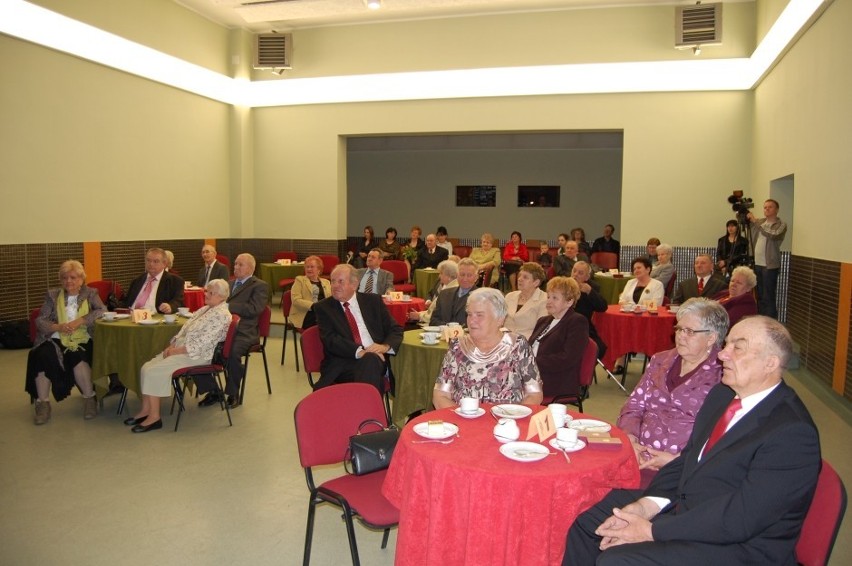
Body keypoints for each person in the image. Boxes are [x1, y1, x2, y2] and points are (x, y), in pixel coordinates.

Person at [563, 316, 820, 566]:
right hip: (691, 509)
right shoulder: (722, 396)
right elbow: (688, 461)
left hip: (740, 546)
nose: (722, 354)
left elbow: (742, 518)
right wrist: (645, 507)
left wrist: (652, 531)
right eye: (726, 344)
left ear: (770, 363)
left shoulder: (792, 433)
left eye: (737, 348)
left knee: (617, 560)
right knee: (587, 521)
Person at [617, 298, 728, 486]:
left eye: (690, 332)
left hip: (684, 470)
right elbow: (634, 406)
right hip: (639, 457)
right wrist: (630, 439)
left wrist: (677, 460)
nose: (680, 336)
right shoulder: (660, 360)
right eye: (679, 329)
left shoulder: (723, 375)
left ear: (711, 338)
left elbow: (721, 433)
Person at [125, 279, 232, 433]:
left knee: (153, 371)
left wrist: (176, 351)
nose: (206, 294)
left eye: (211, 292)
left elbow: (202, 343)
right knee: (146, 367)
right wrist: (173, 343)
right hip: (184, 350)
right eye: (206, 291)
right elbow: (185, 329)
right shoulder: (206, 309)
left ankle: (154, 417)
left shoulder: (222, 315)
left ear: (222, 296)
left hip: (198, 355)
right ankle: (145, 410)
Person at [25, 260, 106, 425]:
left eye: (73, 277)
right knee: (41, 355)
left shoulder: (90, 293)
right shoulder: (52, 295)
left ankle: (89, 399)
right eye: (64, 278)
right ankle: (43, 404)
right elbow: (40, 320)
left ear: (81, 279)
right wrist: (58, 326)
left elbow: (102, 311)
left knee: (79, 356)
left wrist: (81, 321)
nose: (68, 281)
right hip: (55, 337)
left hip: (82, 337)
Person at [433, 287, 543, 408]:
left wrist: (513, 418)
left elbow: (534, 394)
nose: (472, 321)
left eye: (479, 315)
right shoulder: (458, 347)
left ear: (500, 319)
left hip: (508, 421)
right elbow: (440, 396)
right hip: (465, 421)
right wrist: (463, 419)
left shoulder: (518, 345)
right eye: (469, 314)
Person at [313, 264, 403, 394]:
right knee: (370, 362)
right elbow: (331, 340)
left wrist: (384, 347)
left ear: (354, 285)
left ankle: (363, 411)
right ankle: (370, 412)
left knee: (371, 361)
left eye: (340, 281)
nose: (335, 285)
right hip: (343, 363)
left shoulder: (373, 301)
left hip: (376, 359)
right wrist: (361, 352)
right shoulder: (323, 308)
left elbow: (395, 329)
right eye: (333, 281)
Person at [198, 253, 268, 409]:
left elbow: (254, 309)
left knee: (232, 351)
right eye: (235, 264)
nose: (236, 267)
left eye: (240, 265)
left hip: (244, 331)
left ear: (251, 267)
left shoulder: (259, 285)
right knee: (197, 347)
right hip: (220, 328)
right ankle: (213, 390)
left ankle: (232, 392)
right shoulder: (227, 284)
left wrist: (226, 306)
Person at [528, 277, 590, 399]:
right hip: (533, 374)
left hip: (555, 379)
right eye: (548, 297)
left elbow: (567, 358)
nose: (549, 301)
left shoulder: (577, 322)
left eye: (555, 298)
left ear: (569, 301)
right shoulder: (543, 321)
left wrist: (533, 362)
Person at [748, 199, 787, 319]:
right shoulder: (760, 222)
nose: (767, 209)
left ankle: (771, 323)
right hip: (757, 263)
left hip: (770, 265)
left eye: (770, 207)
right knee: (759, 295)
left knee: (768, 296)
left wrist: (755, 222)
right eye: (765, 207)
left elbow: (773, 234)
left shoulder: (781, 225)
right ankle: (760, 320)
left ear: (776, 210)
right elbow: (746, 223)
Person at [123, 247, 184, 314]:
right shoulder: (137, 280)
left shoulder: (175, 281)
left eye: (156, 261)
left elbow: (178, 301)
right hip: (131, 316)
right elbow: (126, 301)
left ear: (164, 264)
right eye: (148, 260)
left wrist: (170, 306)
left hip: (156, 318)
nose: (151, 264)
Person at [571, 261, 608, 358]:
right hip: (565, 326)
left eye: (580, 273)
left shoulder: (591, 287)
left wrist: (589, 292)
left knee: (600, 348)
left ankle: (586, 371)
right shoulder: (563, 285)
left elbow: (602, 307)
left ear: (587, 277)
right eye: (574, 271)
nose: (575, 275)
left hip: (584, 327)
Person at [504, 262, 548, 339]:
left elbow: (541, 330)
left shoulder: (544, 299)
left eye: (525, 277)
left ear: (536, 282)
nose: (519, 279)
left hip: (528, 343)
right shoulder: (509, 296)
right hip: (504, 341)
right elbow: (498, 320)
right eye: (520, 275)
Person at [430, 258, 479, 327]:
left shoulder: (480, 298)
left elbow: (479, 324)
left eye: (469, 275)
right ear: (457, 275)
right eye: (462, 274)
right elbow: (433, 321)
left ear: (476, 277)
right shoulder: (444, 294)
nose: (465, 279)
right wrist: (448, 328)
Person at [409, 260, 458, 325]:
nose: (439, 276)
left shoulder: (451, 291)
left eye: (441, 273)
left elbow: (439, 315)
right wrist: (420, 314)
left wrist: (419, 316)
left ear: (448, 276)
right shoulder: (449, 286)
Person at [290, 255, 332, 330]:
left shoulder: (326, 282)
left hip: (323, 312)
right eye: (307, 267)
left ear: (319, 269)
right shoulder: (299, 280)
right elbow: (296, 300)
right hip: (305, 313)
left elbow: (331, 299)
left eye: (312, 267)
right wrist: (314, 306)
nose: (309, 269)